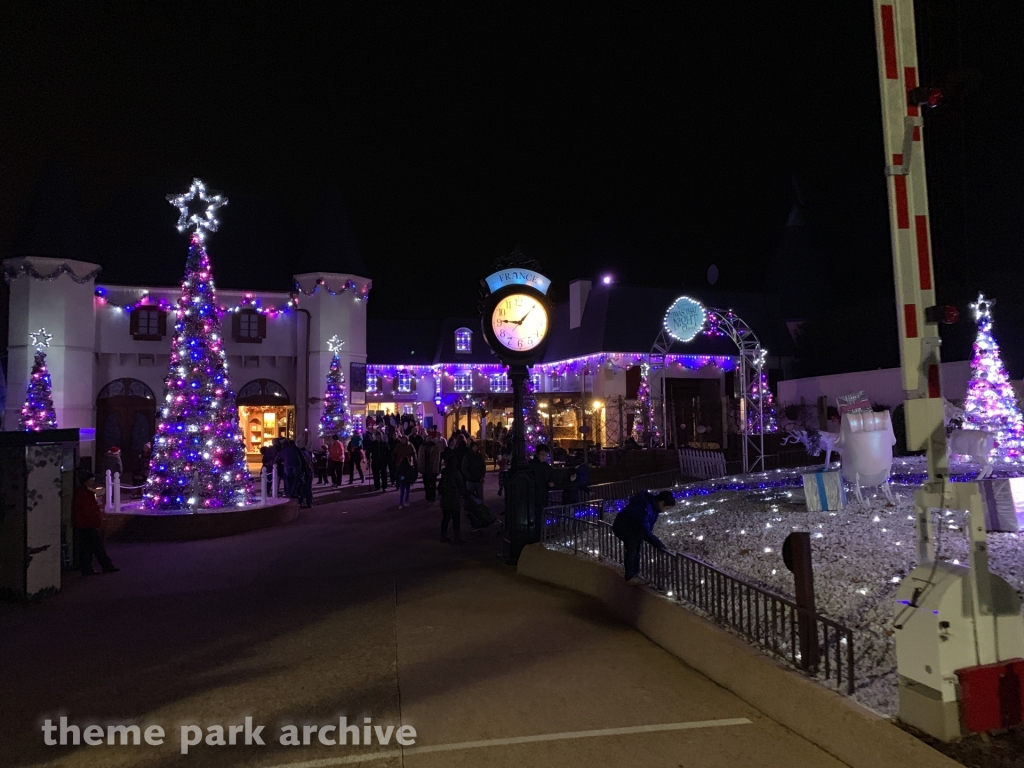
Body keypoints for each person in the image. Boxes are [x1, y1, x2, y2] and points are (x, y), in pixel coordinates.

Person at [612, 490, 677, 583]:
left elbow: (646, 528)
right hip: (625, 528)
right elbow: (645, 528)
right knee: (632, 549)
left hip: (632, 528)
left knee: (635, 548)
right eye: (666, 508)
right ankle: (630, 576)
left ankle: (634, 573)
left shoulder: (652, 508)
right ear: (661, 502)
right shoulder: (645, 508)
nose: (665, 511)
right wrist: (658, 544)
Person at [73, 471, 118, 575]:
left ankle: (88, 569)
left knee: (87, 548)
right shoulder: (84, 494)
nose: (93, 481)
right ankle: (106, 566)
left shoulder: (82, 492)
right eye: (91, 479)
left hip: (84, 524)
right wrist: (96, 519)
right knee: (97, 546)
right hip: (88, 524)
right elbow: (88, 510)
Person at [438, 457, 465, 543]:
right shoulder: (456, 473)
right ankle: (456, 537)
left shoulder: (444, 473)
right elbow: (461, 486)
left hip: (445, 499)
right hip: (454, 498)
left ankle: (443, 536)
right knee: (456, 519)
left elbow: (440, 488)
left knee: (446, 518)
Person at [528, 444, 555, 515]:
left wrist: (551, 483)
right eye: (542, 454)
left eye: (545, 455)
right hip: (534, 495)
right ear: (537, 454)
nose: (544, 457)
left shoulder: (546, 466)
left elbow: (551, 477)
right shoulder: (530, 465)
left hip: (543, 495)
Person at [393, 433, 417, 508]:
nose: (403, 441)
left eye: (405, 440)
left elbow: (414, 454)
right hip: (401, 467)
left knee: (407, 487)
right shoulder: (398, 446)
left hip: (408, 466)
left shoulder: (410, 445)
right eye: (402, 439)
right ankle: (401, 503)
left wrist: (415, 462)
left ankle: (406, 501)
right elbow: (395, 454)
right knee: (402, 487)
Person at [418, 434, 442, 504]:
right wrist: (420, 467)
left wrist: (436, 468)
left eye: (430, 437)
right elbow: (420, 457)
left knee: (432, 484)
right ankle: (428, 497)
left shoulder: (435, 446)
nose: (428, 439)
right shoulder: (422, 446)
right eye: (427, 437)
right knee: (426, 484)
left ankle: (432, 498)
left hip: (432, 468)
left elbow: (437, 459)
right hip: (425, 467)